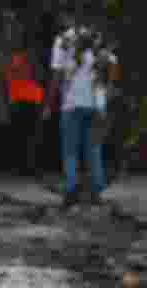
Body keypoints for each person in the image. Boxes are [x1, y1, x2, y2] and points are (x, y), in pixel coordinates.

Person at [43, 23, 119, 209]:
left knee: (70, 151)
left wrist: (48, 104)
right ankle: (96, 193)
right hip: (96, 104)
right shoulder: (97, 38)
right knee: (93, 150)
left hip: (71, 104)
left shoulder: (62, 41)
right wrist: (108, 91)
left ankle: (71, 192)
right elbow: (113, 64)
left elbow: (56, 75)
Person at [3, 34, 45, 176]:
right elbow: (38, 78)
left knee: (21, 136)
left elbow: (10, 80)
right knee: (30, 136)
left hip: (21, 100)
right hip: (29, 100)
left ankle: (22, 167)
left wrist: (10, 99)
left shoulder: (15, 59)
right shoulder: (30, 59)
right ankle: (29, 166)